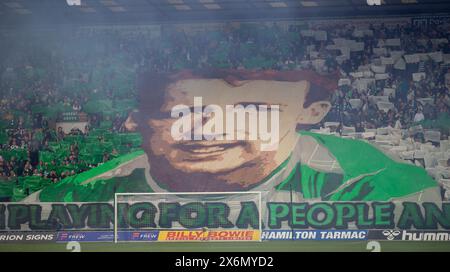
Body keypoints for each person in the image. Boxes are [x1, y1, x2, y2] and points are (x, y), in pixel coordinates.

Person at [27, 69, 440, 203]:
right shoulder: (75, 194)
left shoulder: (382, 184)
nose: (209, 130)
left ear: (311, 114)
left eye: (251, 111)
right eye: (183, 113)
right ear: (136, 120)